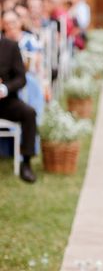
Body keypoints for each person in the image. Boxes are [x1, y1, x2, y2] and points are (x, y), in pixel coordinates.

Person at [0, 26, 37, 183]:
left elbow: (21, 78)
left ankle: (26, 163)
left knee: (29, 113)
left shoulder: (11, 46)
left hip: (6, 102)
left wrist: (5, 88)